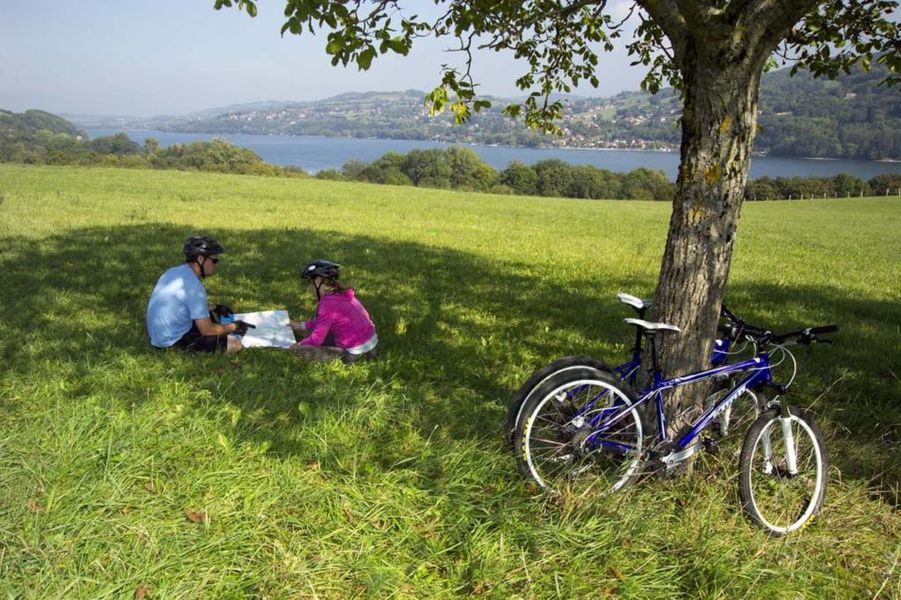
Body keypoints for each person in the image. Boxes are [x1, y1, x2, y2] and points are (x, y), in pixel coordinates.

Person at [146, 235, 254, 353]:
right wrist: (234, 326)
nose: (216, 265)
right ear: (201, 259)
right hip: (171, 342)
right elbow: (207, 330)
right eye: (214, 260)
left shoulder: (173, 272)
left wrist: (215, 307)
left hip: (159, 336)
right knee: (235, 344)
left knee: (212, 317)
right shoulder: (194, 286)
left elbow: (184, 304)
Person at [289, 259, 378, 363]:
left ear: (318, 281)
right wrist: (300, 325)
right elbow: (323, 323)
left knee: (303, 351)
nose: (309, 288)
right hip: (372, 347)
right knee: (311, 333)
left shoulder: (328, 303)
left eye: (310, 283)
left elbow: (317, 338)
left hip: (355, 354)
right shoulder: (340, 294)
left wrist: (298, 345)